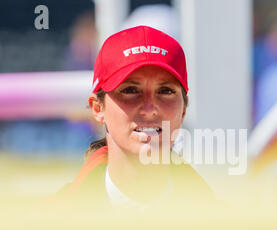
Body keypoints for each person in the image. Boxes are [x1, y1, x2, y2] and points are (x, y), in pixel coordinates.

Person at [57, 26, 214, 211]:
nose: (149, 110)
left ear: (184, 110)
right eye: (130, 90)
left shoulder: (228, 229)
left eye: (165, 91)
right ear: (98, 108)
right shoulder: (44, 226)